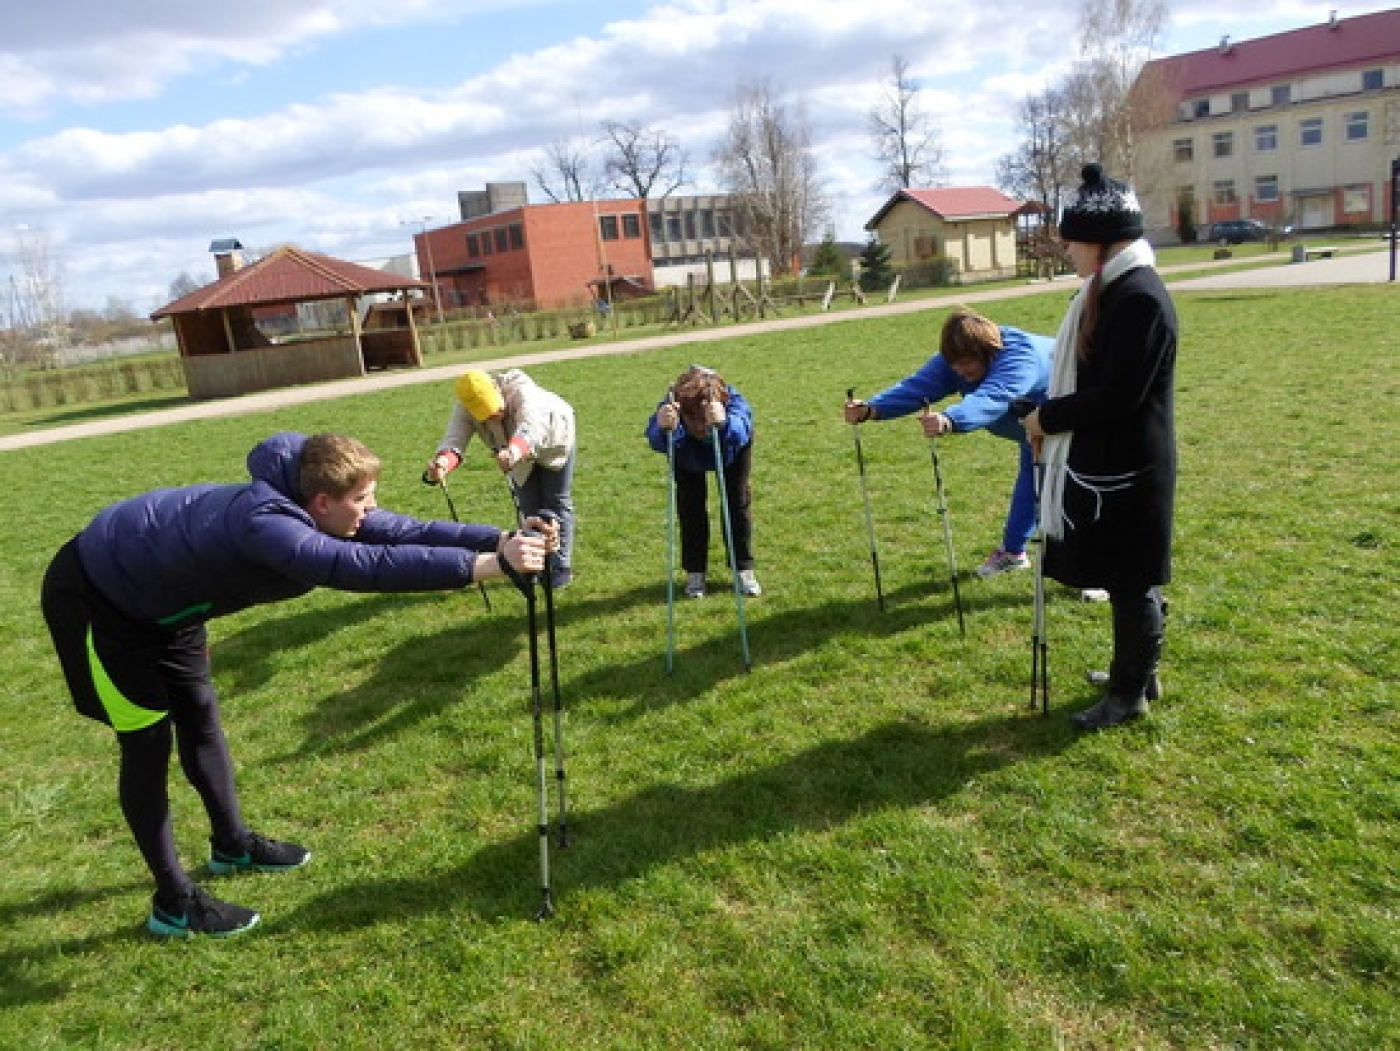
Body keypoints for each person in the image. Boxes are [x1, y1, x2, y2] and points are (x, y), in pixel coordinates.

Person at [41, 432, 551, 938]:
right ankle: (173, 902)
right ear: (323, 502)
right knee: (148, 743)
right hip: (100, 601)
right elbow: (354, 566)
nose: (370, 510)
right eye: (361, 500)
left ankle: (231, 845)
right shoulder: (264, 524)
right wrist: (491, 567)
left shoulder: (314, 502)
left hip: (169, 605)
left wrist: (496, 539)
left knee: (199, 714)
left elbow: (395, 531)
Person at [1021, 164, 1178, 730]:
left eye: (1072, 241)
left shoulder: (1138, 298)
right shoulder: (1109, 292)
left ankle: (1129, 692)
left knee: (1131, 577)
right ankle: (1137, 671)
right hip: (1111, 460)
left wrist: (1047, 417)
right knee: (1122, 573)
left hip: (1133, 463)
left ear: (1105, 241)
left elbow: (1117, 396)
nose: (1066, 250)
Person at [844, 306, 1054, 581]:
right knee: (1032, 483)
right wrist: (872, 409)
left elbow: (994, 397)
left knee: (1079, 496)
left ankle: (1101, 573)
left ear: (987, 351)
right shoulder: (957, 357)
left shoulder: (1019, 357)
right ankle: (1013, 554)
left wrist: (950, 419)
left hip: (1079, 424)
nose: (958, 370)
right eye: (953, 363)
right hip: (1033, 433)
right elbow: (919, 386)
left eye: (965, 363)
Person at [423, 369, 576, 588]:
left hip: (554, 439)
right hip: (515, 453)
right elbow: (454, 440)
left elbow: (530, 428)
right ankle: (534, 565)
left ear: (496, 388)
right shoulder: (465, 408)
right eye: (484, 415)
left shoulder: (521, 390)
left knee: (555, 501)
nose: (492, 417)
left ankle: (559, 567)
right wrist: (442, 464)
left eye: (494, 409)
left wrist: (512, 453)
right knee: (529, 506)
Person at [646, 364, 760, 599]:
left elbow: (740, 430)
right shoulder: (672, 405)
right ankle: (695, 573)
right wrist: (664, 427)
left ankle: (744, 570)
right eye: (692, 418)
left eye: (702, 418)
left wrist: (723, 423)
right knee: (690, 508)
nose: (699, 426)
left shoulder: (733, 402)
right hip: (687, 452)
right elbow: (655, 439)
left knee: (736, 503)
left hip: (731, 448)